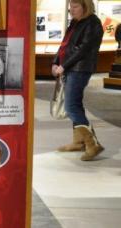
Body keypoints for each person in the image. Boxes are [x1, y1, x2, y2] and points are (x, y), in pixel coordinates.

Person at [52, 0, 104, 161]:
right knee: (75, 104)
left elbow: (84, 49)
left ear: (85, 6)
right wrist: (55, 62)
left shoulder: (93, 23)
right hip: (70, 68)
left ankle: (93, 144)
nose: (71, 10)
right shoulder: (76, 22)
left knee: (71, 106)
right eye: (70, 7)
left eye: (75, 7)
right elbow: (65, 45)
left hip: (80, 69)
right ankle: (79, 141)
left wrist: (64, 65)